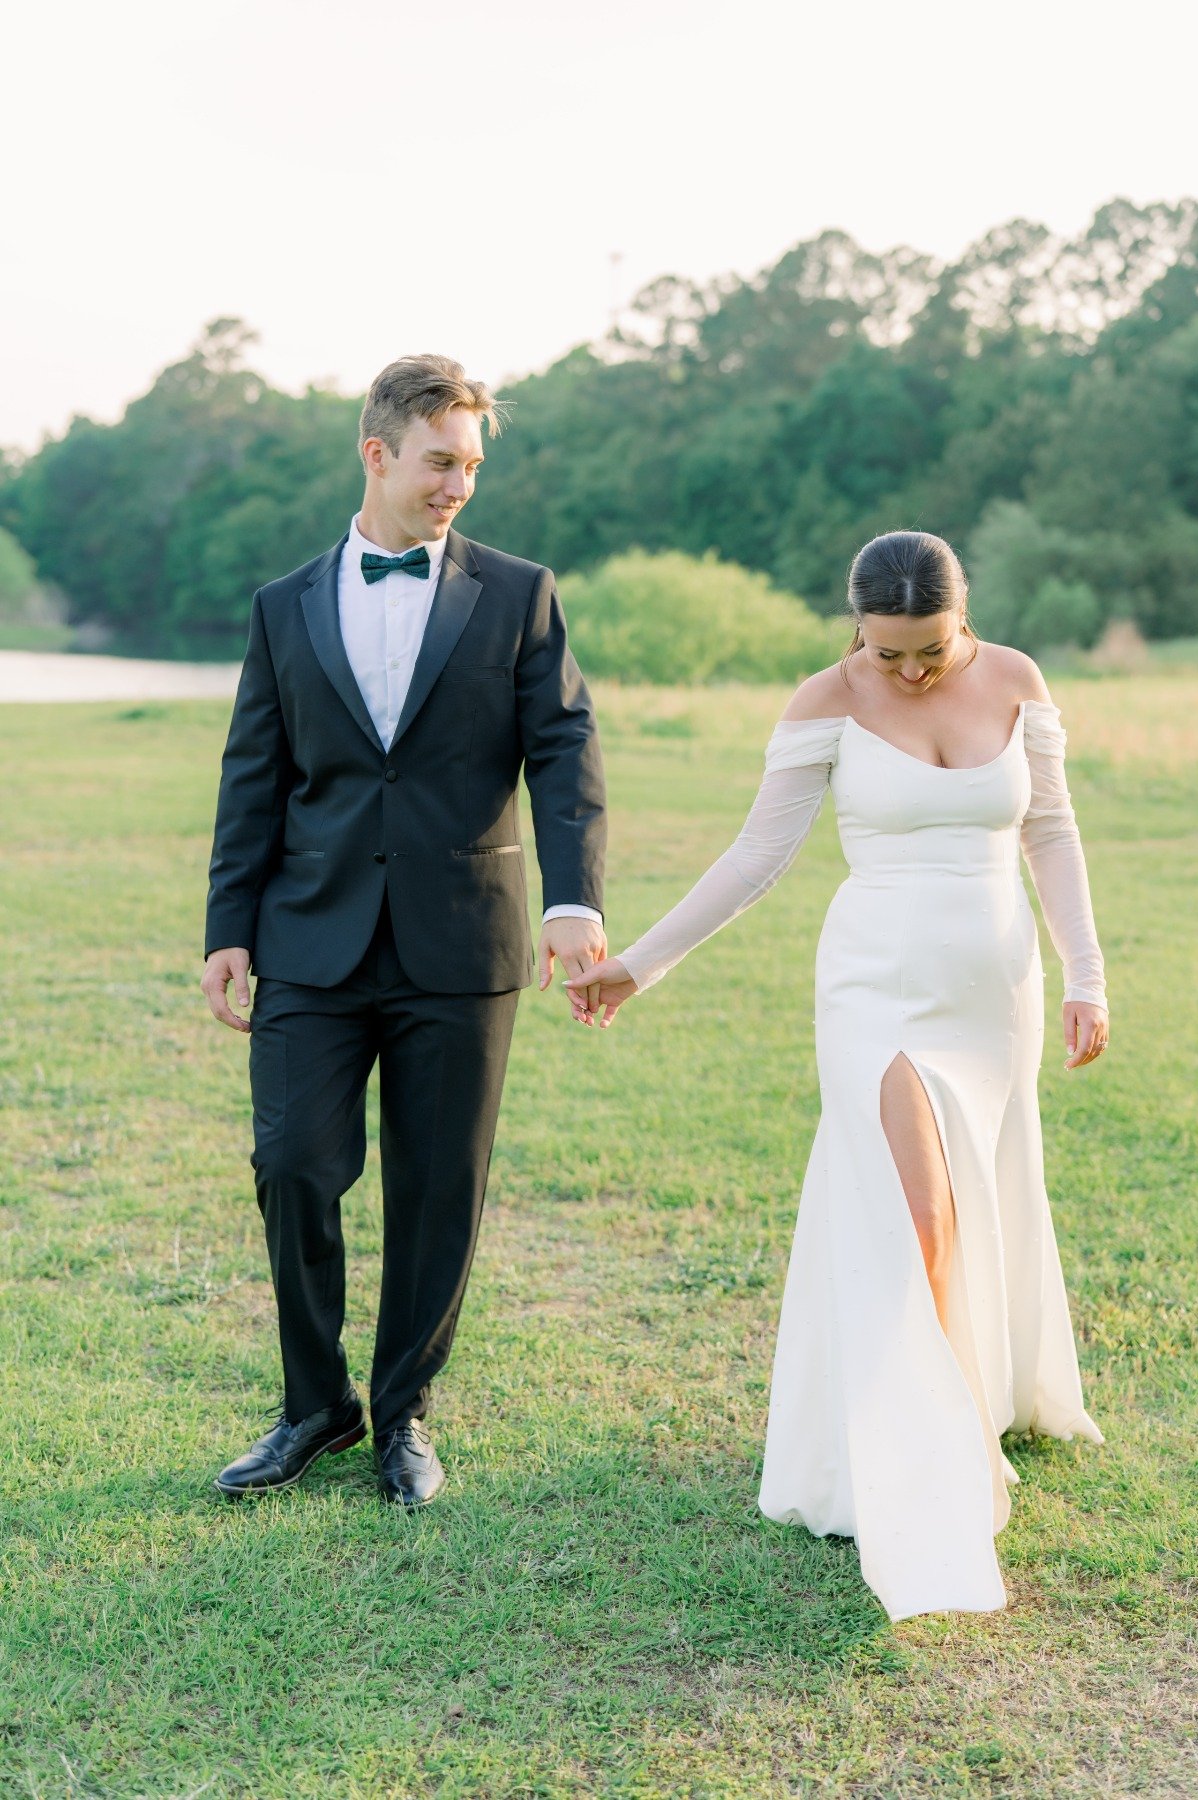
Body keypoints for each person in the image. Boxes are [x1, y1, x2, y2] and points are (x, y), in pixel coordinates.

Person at [566, 530, 1108, 1621]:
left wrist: (1084, 974)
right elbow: (757, 855)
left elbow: (1049, 829)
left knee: (984, 1192)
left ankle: (971, 1398)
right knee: (923, 1212)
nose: (910, 673)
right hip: (876, 989)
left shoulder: (1017, 681)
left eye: (932, 651)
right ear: (855, 622)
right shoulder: (824, 699)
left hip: (991, 988)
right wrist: (642, 963)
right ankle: (938, 1451)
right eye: (889, 651)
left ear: (965, 616)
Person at [202, 356, 606, 1505]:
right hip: (309, 940)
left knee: (440, 1186)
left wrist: (572, 899)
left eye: (472, 466)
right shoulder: (284, 605)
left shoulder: (518, 593)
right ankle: (313, 1405)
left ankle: (404, 1416)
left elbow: (566, 751)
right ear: (377, 453)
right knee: (291, 1165)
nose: (457, 487)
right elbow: (253, 774)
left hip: (462, 941)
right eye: (441, 463)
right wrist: (230, 924)